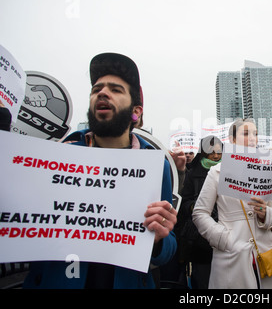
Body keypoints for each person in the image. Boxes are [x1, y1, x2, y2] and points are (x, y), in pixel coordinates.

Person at [23, 52, 177, 289]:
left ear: (136, 112)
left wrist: (158, 239)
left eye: (115, 89)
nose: (102, 93)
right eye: (96, 90)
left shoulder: (156, 166)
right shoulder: (56, 156)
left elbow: (167, 249)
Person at [192, 118, 272, 289]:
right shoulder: (217, 172)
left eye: (255, 134)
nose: (252, 138)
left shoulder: (268, 169)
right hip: (231, 256)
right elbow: (199, 213)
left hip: (266, 256)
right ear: (232, 140)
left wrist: (266, 214)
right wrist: (224, 239)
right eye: (246, 133)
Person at [177, 135, 223, 288]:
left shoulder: (230, 170)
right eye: (211, 152)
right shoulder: (193, 173)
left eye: (219, 152)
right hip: (201, 239)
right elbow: (184, 202)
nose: (216, 156)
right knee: (203, 280)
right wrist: (194, 207)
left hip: (227, 234)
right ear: (203, 152)